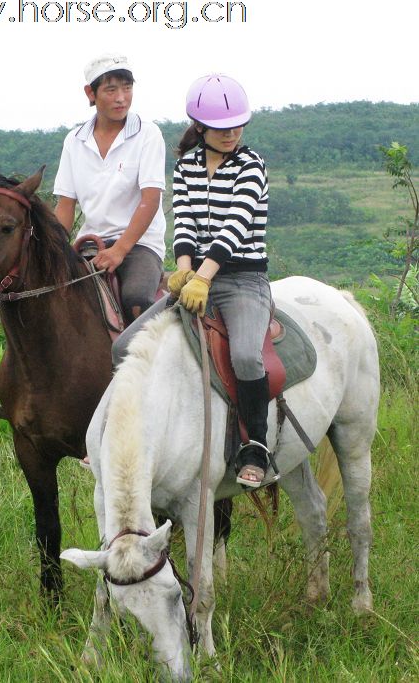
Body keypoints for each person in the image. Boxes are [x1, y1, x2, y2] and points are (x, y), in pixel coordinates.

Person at [169, 73, 273, 488]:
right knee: (131, 341)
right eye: (221, 125)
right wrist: (182, 269)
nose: (231, 132)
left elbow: (235, 227)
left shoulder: (252, 165)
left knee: (247, 355)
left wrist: (203, 278)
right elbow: (185, 223)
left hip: (243, 279)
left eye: (237, 124)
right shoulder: (186, 167)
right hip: (195, 275)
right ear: (200, 126)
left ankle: (258, 446)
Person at [53, 53, 166, 323]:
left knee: (136, 297)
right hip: (91, 244)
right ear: (90, 93)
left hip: (139, 245)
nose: (121, 98)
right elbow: (65, 205)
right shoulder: (75, 141)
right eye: (111, 89)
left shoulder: (147, 134)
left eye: (127, 88)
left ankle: (143, 364)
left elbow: (149, 200)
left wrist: (120, 250)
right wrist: (54, 251)